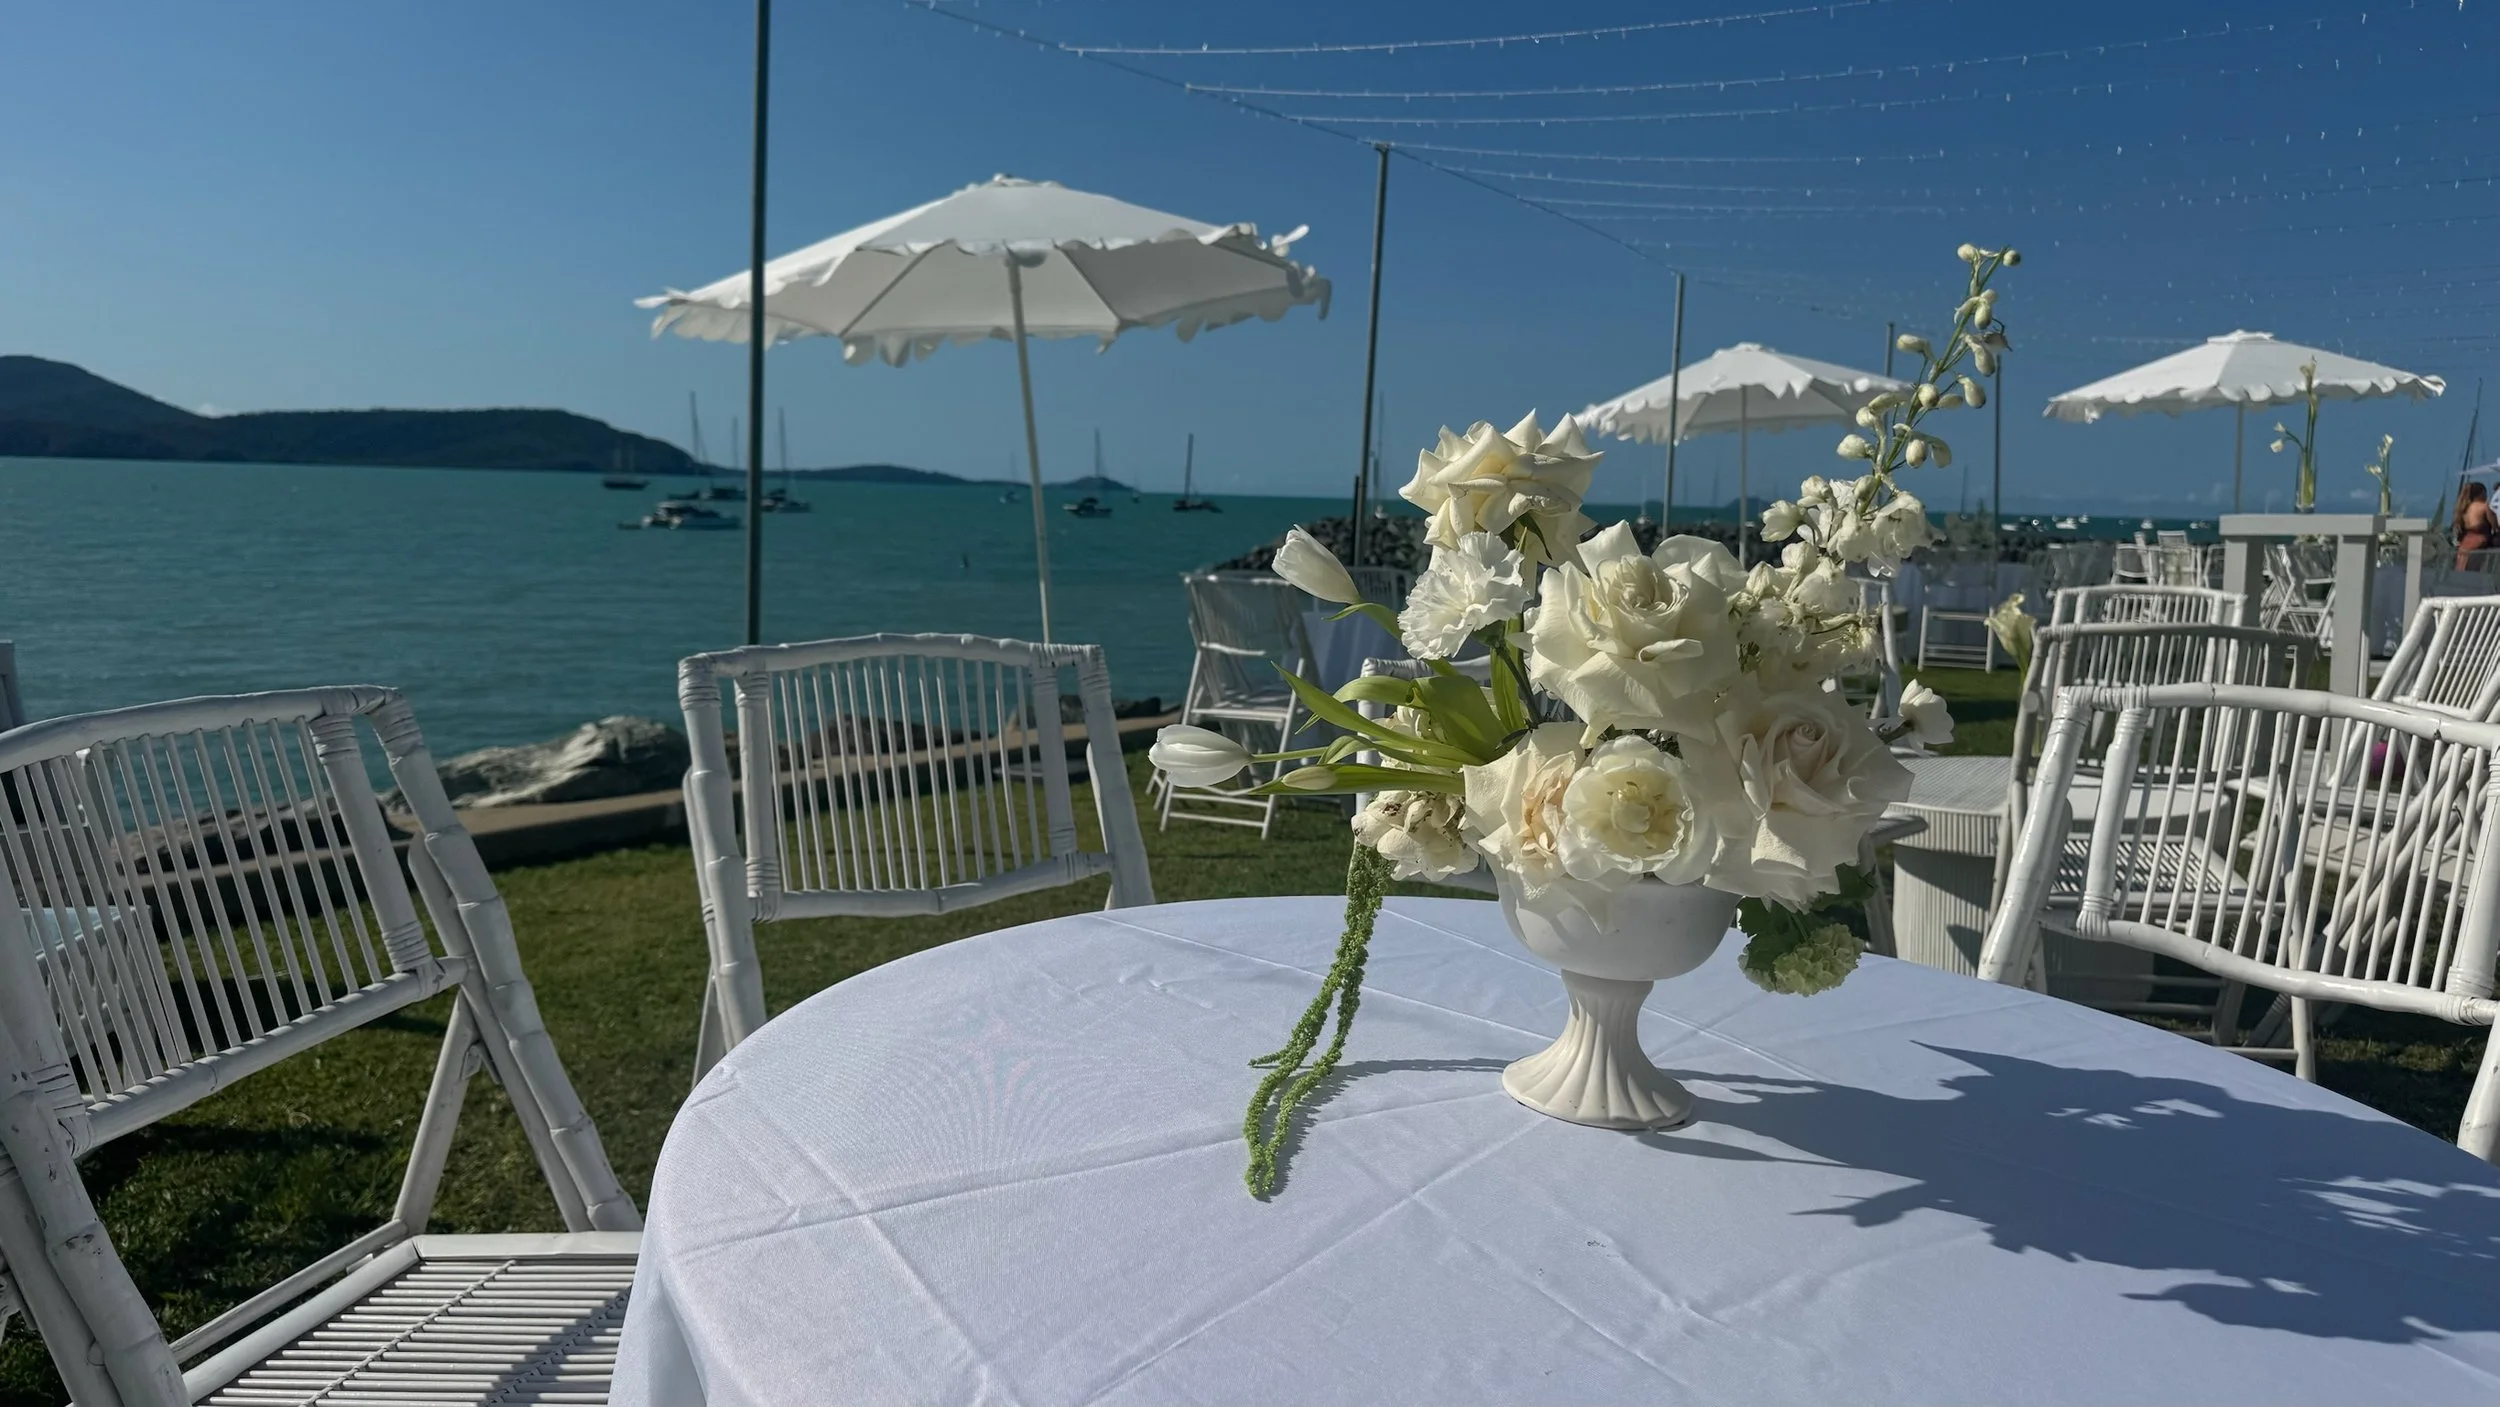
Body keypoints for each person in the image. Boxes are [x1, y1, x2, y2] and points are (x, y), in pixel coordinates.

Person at [2456, 481, 2495, 570]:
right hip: (2480, 540)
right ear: (2481, 493)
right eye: (2485, 493)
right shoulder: (2484, 506)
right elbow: (2495, 525)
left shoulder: (2464, 508)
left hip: (2466, 541)